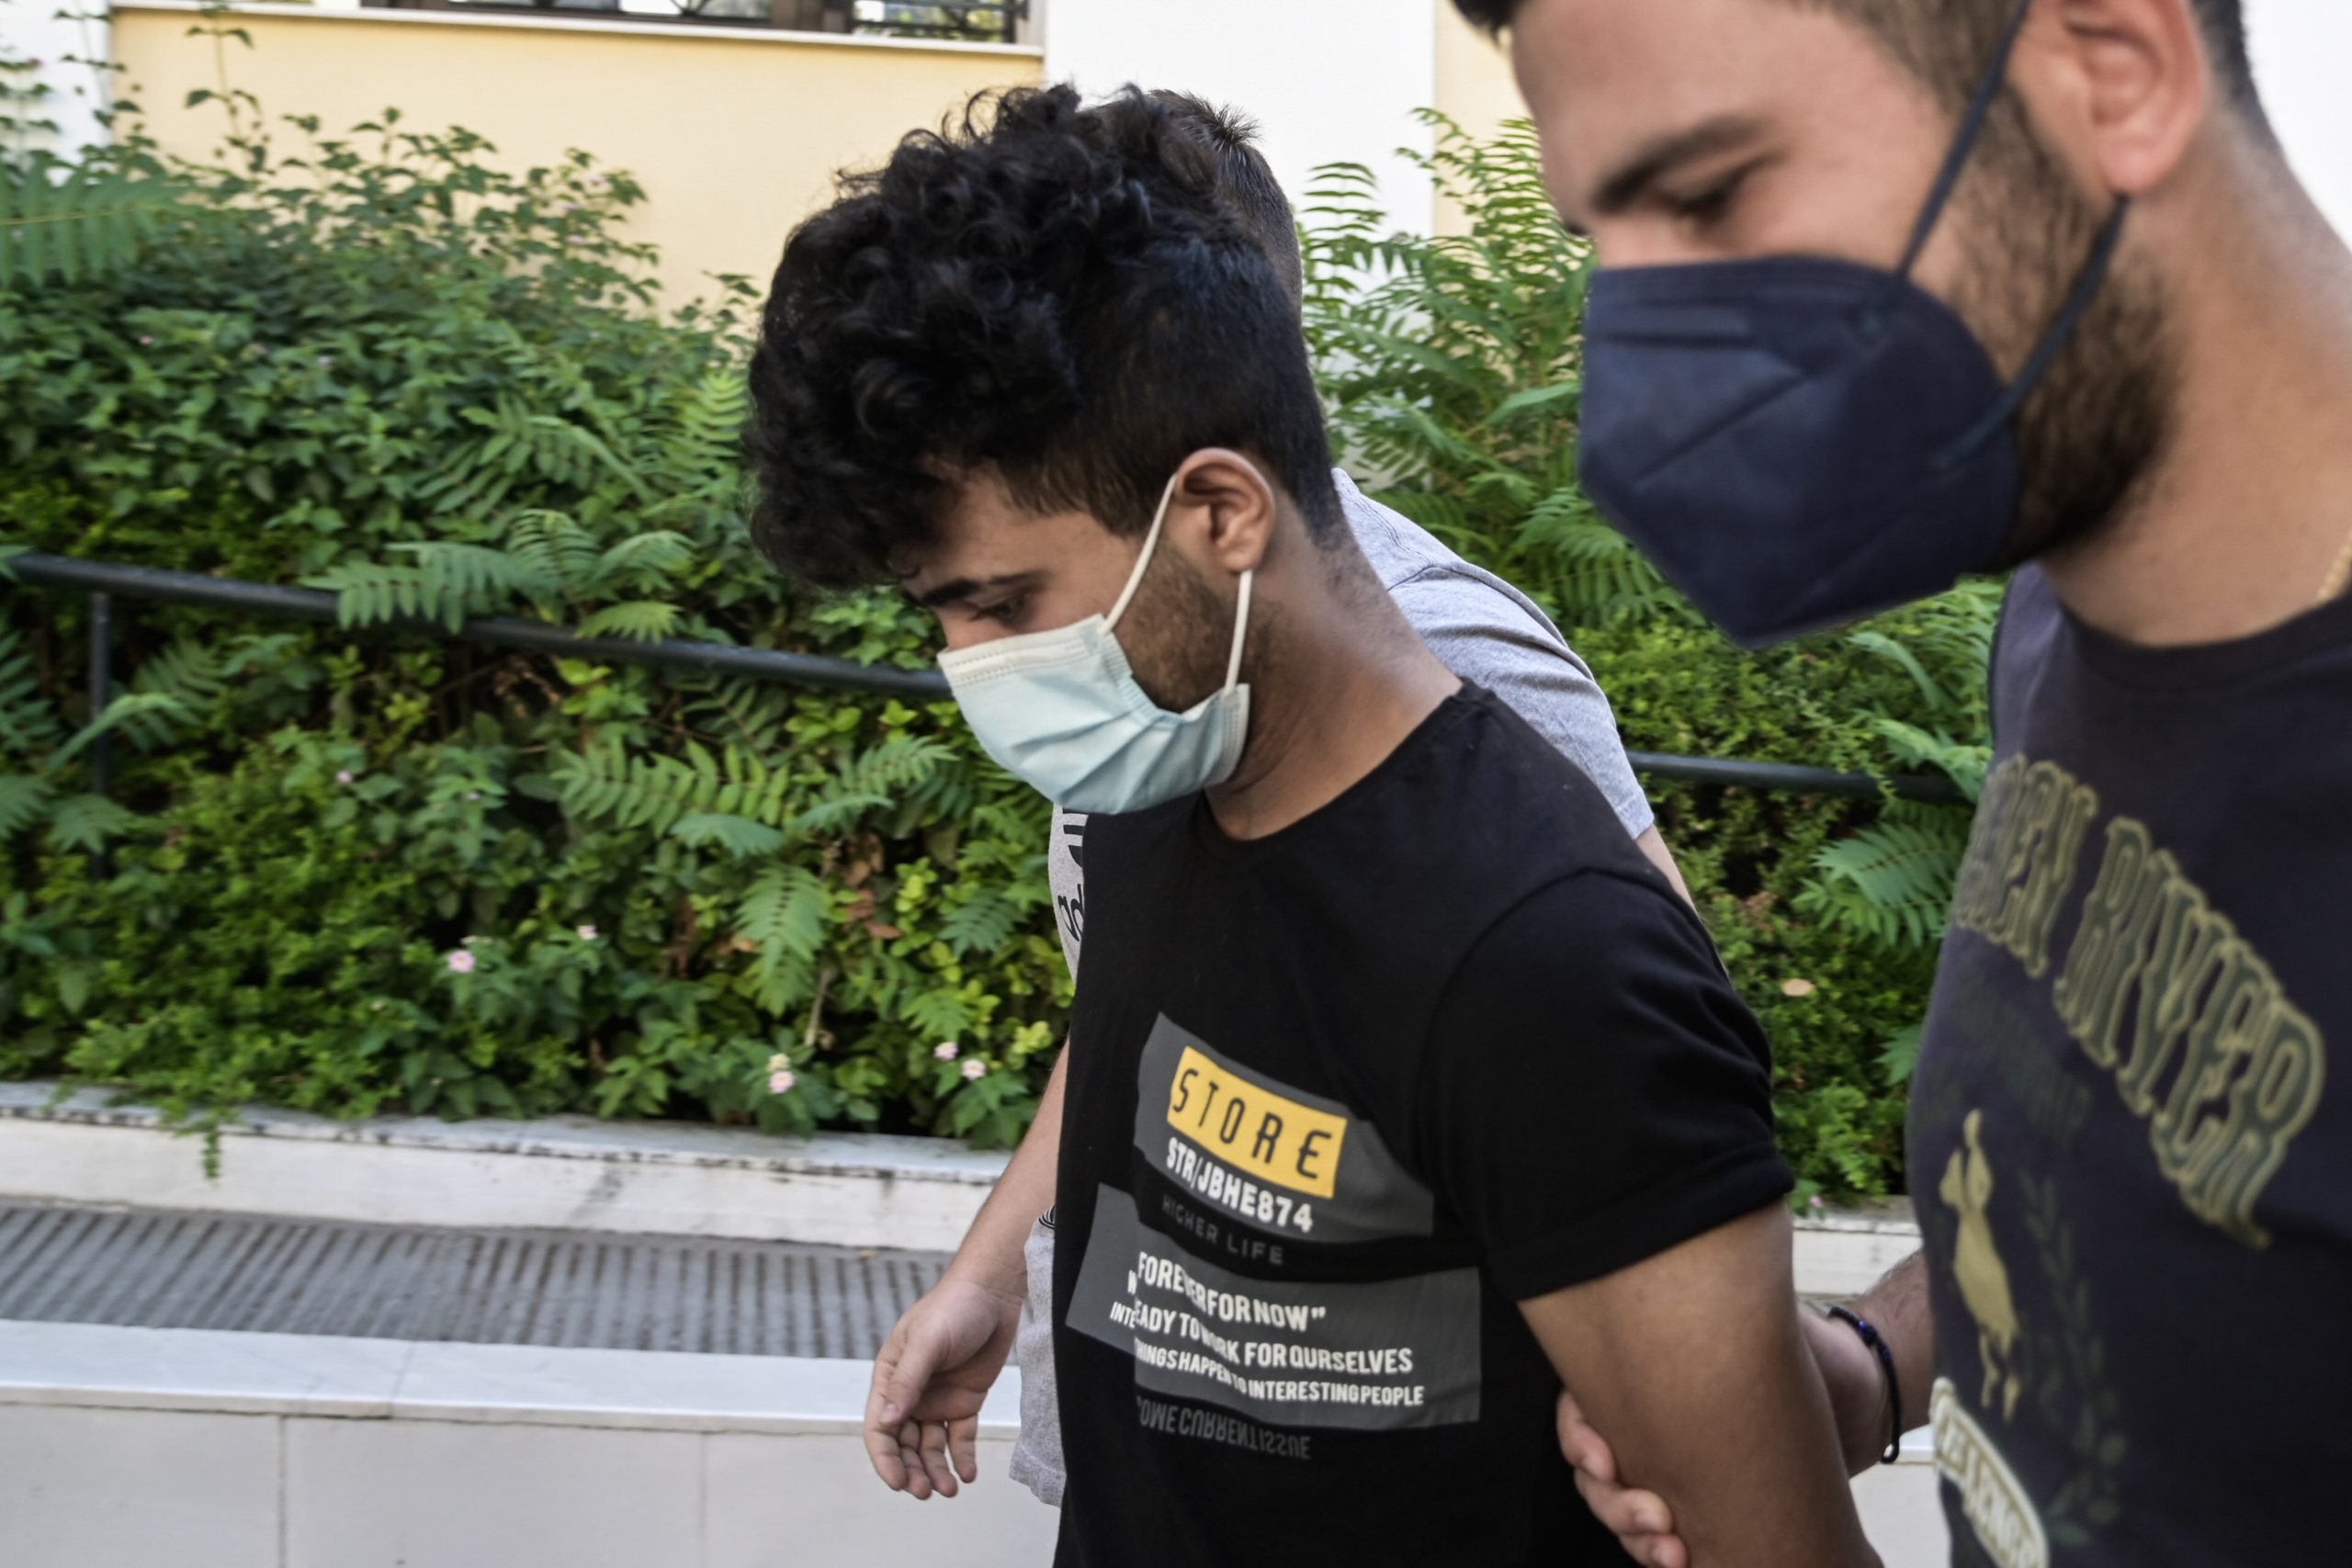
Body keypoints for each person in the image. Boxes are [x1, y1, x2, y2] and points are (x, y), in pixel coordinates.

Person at [749, 85, 1876, 1566]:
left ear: (1222, 515)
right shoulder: (1162, 769)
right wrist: (995, 1264)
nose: (972, 666)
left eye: (1003, 604)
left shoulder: (1550, 959)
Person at [1449, 1, 2352, 1564]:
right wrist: (1871, 1368)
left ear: (2114, 70)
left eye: (1711, 194)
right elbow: (2139, 1188)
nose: (1637, 381)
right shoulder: (2058, 617)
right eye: (1609, 243)